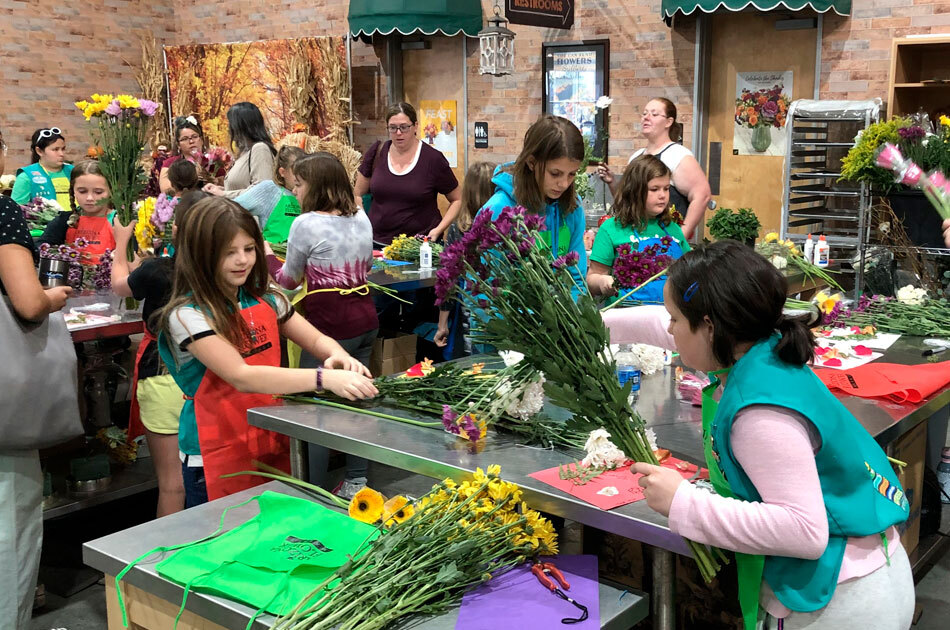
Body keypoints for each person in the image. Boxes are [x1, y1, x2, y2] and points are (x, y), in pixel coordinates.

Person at [604, 241, 914, 630]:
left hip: (844, 603)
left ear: (710, 326)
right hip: (869, 575)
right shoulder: (758, 341)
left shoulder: (759, 414)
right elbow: (667, 328)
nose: (669, 331)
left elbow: (805, 531)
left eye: (675, 320)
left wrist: (683, 503)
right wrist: (592, 323)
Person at [157, 197, 377, 506]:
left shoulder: (267, 299)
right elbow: (242, 375)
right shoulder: (187, 316)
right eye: (228, 252)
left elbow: (314, 340)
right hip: (214, 451)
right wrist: (323, 379)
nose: (242, 260)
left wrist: (336, 353)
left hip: (268, 438)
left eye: (249, 249)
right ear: (200, 255)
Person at [264, 152, 378, 498]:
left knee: (315, 412)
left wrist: (267, 255)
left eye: (298, 184)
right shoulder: (361, 216)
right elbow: (368, 264)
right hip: (365, 319)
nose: (295, 192)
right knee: (357, 402)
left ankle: (313, 488)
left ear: (315, 186)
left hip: (329, 326)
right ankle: (357, 481)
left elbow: (288, 281)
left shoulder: (306, 224)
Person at [111, 190, 208, 518]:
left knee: (172, 484)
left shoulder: (156, 270)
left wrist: (120, 243)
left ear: (176, 230)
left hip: (163, 376)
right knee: (202, 477)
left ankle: (165, 560)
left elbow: (120, 285)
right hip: (204, 382)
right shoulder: (218, 276)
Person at [0, 192, 72, 629]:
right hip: (4, 409)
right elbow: (27, 302)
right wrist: (52, 297)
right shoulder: (2, 211)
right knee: (9, 524)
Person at [480, 115, 588, 294]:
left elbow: (577, 279)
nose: (564, 184)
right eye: (555, 173)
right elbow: (487, 290)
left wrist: (569, 319)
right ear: (531, 162)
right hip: (512, 320)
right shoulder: (498, 210)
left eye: (572, 174)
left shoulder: (572, 207)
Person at [597, 98, 711, 240]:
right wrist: (612, 182)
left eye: (654, 114)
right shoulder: (636, 156)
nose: (646, 117)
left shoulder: (678, 155)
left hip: (665, 241)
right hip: (636, 238)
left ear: (669, 122)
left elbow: (702, 195)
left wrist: (682, 234)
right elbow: (629, 200)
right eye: (644, 114)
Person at [588, 155, 690, 306]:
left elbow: (690, 273)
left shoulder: (673, 229)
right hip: (626, 318)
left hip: (668, 319)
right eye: (654, 189)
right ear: (634, 191)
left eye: (666, 189)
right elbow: (591, 279)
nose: (662, 195)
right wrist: (602, 281)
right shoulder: (611, 229)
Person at [354, 102, 461, 245]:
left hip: (419, 246)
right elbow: (357, 194)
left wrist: (438, 230)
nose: (398, 133)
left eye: (404, 127)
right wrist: (363, 223)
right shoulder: (377, 152)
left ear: (415, 126)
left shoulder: (433, 159)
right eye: (393, 128)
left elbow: (457, 199)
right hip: (377, 243)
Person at [434, 161, 495, 357]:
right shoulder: (503, 226)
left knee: (476, 364)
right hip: (503, 308)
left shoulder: (459, 228)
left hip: (472, 311)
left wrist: (442, 324)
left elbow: (448, 279)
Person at [38, 159, 115, 263]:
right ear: (73, 190)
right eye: (82, 191)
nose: (89, 198)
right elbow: (40, 248)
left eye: (98, 192)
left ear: (111, 191)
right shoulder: (64, 221)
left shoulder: (118, 221)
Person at [233, 145, 305, 243]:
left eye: (305, 172)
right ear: (282, 172)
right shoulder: (269, 189)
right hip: (274, 256)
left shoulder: (310, 191)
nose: (301, 177)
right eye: (296, 172)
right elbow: (233, 208)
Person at [203, 102, 276, 199]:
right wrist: (219, 190)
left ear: (241, 126)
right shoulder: (244, 154)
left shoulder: (260, 149)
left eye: (231, 125)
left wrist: (223, 194)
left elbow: (264, 192)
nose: (229, 130)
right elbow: (243, 188)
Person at [159, 116, 225, 195]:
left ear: (201, 140)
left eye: (194, 137)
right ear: (178, 144)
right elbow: (166, 191)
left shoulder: (213, 163)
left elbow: (225, 188)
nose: (191, 141)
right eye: (185, 138)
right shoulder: (170, 163)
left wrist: (213, 181)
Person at [12, 127, 73, 210]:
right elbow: (16, 210)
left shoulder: (74, 171)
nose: (61, 153)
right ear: (39, 151)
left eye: (63, 149)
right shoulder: (26, 177)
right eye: (55, 149)